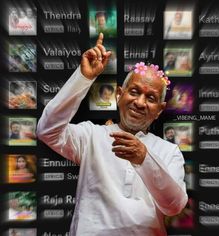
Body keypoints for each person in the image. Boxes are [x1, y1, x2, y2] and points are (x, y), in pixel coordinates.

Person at [37, 33, 188, 236]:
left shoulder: (170, 151)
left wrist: (144, 159)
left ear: (159, 110)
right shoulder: (91, 135)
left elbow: (174, 206)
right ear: (119, 95)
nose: (140, 102)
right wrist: (83, 78)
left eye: (150, 97)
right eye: (134, 92)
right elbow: (47, 130)